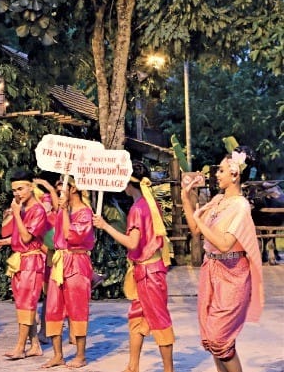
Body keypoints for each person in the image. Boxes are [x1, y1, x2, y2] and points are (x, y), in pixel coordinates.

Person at [181, 150, 264, 372]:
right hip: (212, 270)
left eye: (221, 170)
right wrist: (185, 198)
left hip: (233, 275)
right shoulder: (218, 200)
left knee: (220, 338)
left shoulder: (240, 206)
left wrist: (201, 218)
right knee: (212, 338)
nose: (217, 174)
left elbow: (226, 244)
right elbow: (196, 230)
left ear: (235, 174)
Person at [92, 161, 174, 372]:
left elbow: (132, 243)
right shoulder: (150, 203)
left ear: (129, 184)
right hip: (148, 270)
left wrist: (105, 225)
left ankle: (168, 370)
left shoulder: (138, 209)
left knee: (158, 319)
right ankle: (133, 366)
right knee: (137, 317)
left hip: (148, 273)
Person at [0, 169, 49, 360]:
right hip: (21, 260)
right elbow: (17, 237)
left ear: (31, 187)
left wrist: (16, 214)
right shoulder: (22, 209)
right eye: (14, 190)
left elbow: (27, 236)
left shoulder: (37, 210)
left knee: (27, 306)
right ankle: (35, 345)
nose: (17, 194)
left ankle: (20, 347)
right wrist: (1, 241)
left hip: (32, 262)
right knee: (22, 305)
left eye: (20, 189)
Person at [42, 176, 95, 369]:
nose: (59, 194)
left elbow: (69, 235)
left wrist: (63, 211)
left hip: (77, 262)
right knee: (53, 308)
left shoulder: (85, 213)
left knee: (78, 308)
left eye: (62, 190)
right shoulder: (64, 211)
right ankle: (58, 355)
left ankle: (80, 355)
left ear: (73, 189)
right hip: (59, 262)